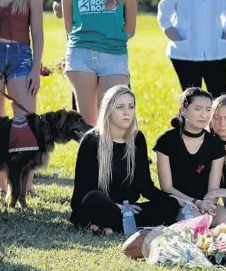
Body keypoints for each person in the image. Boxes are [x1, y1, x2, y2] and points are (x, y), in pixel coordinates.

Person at [69, 85, 181, 235]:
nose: (127, 112)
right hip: (101, 206)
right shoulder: (91, 140)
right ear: (108, 110)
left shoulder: (137, 138)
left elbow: (146, 186)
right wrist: (120, 208)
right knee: (93, 198)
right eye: (120, 107)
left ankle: (114, 228)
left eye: (131, 107)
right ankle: (128, 225)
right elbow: (82, 194)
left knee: (170, 205)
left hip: (130, 209)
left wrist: (175, 199)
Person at [0, 0, 44, 199]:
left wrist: (36, 66)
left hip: (22, 56)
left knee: (26, 122)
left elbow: (38, 31)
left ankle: (26, 185)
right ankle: (1, 186)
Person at [61, 0, 137, 127]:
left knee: (112, 118)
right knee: (88, 122)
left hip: (114, 56)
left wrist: (111, 42)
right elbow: (69, 26)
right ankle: (91, 155)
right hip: (81, 55)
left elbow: (130, 27)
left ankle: (112, 155)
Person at [154, 87, 226, 227]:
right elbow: (167, 187)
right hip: (179, 202)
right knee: (194, 219)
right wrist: (196, 202)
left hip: (205, 203)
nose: (204, 114)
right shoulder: (166, 141)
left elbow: (213, 189)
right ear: (183, 110)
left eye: (208, 110)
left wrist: (207, 205)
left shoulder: (215, 145)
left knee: (225, 218)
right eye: (198, 109)